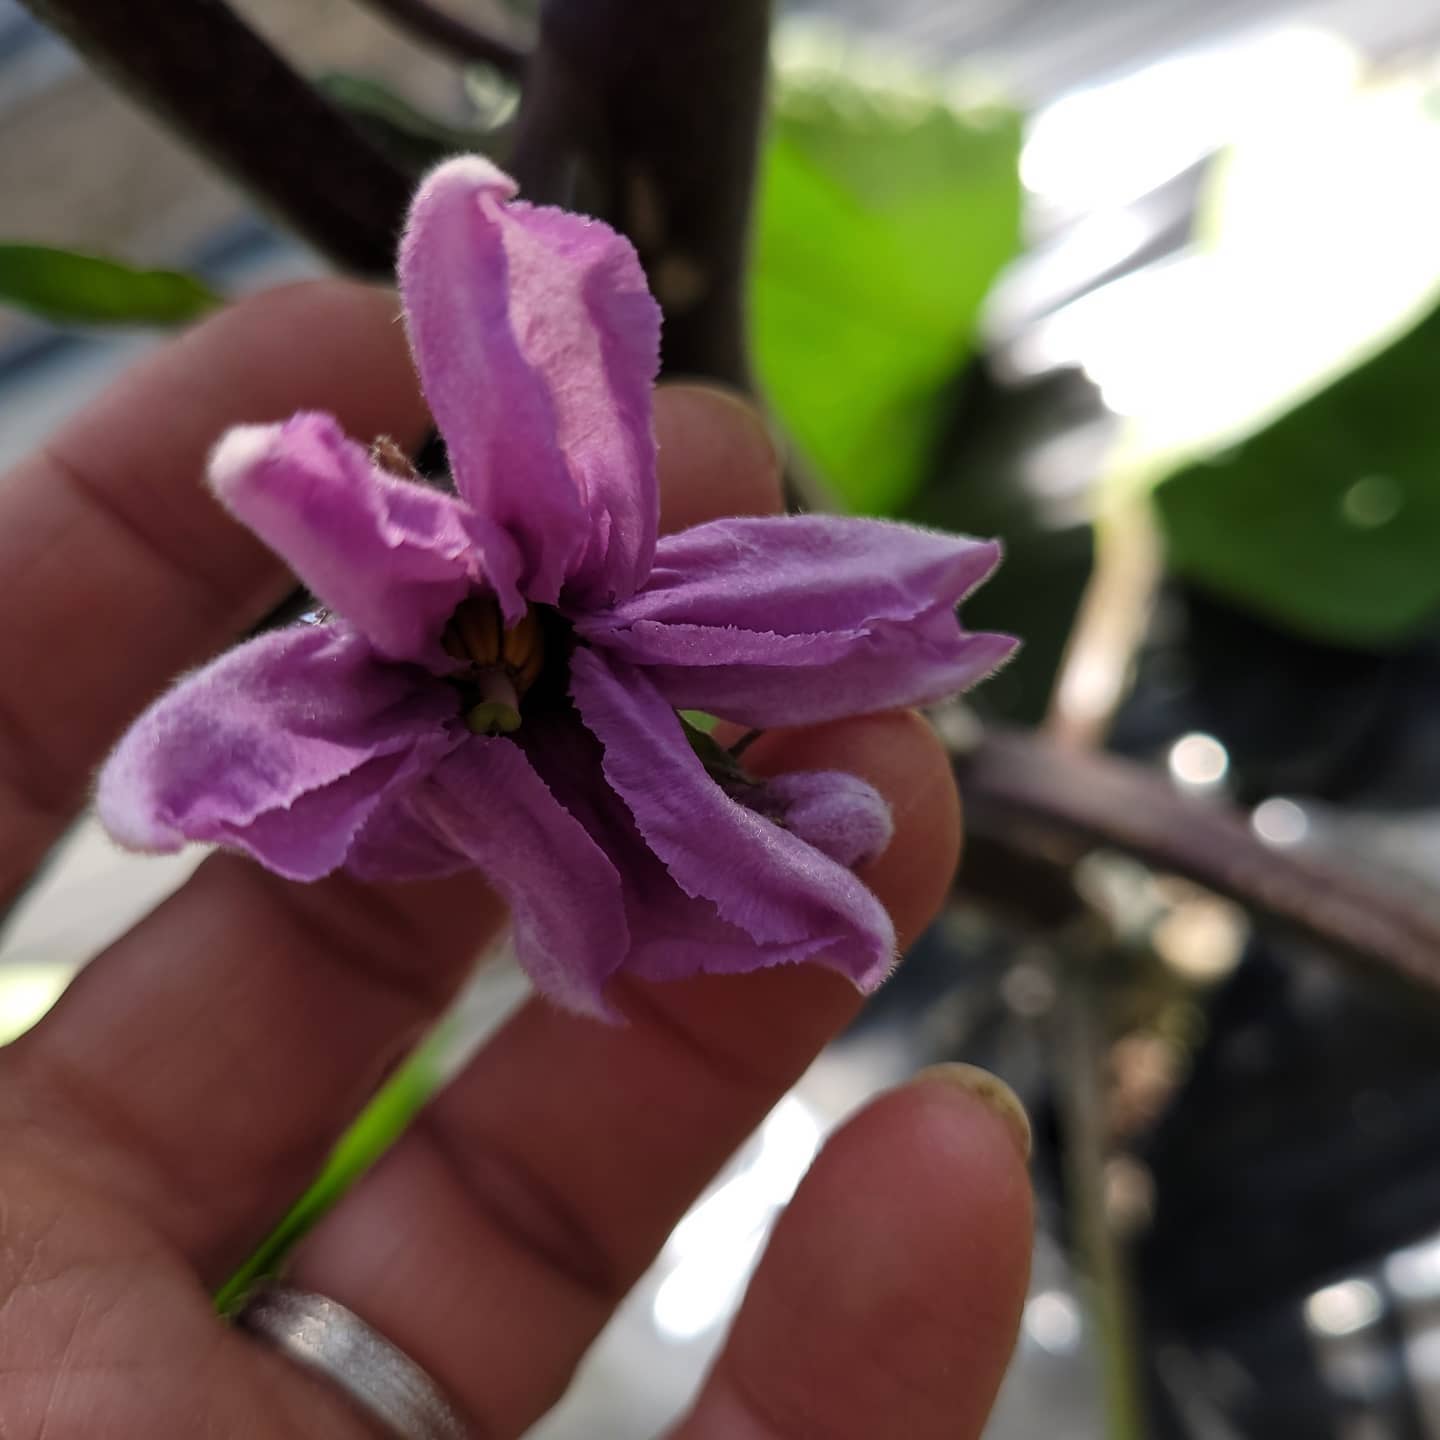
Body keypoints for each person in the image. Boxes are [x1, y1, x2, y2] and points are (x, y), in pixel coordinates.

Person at [0, 280, 1033, 1438]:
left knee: (823, 831)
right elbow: (170, 783)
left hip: (585, 629)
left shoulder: (513, 669)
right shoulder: (443, 717)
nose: (502, 677)